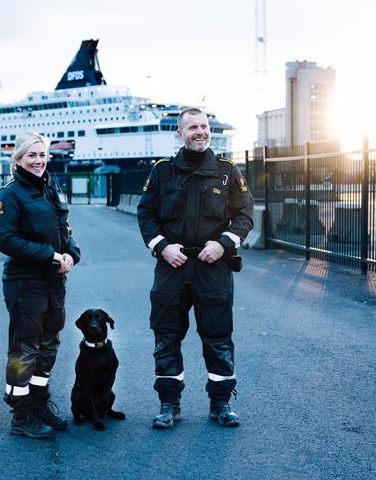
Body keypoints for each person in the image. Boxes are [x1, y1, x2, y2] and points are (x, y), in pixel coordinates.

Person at [137, 107, 254, 428]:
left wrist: (224, 243)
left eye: (203, 126)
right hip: (172, 266)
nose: (200, 131)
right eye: (192, 127)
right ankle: (168, 403)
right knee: (166, 336)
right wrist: (162, 246)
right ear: (180, 133)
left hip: (212, 267)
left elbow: (245, 213)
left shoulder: (228, 171)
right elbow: (145, 214)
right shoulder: (162, 172)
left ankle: (221, 404)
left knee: (218, 337)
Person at [0, 132, 81, 439]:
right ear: (18, 159)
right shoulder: (9, 195)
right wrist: (50, 255)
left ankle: (39, 403)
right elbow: (7, 240)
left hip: (54, 281)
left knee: (48, 345)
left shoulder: (49, 190)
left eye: (42, 155)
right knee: (24, 348)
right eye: (31, 155)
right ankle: (21, 415)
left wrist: (71, 254)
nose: (39, 161)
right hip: (25, 283)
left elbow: (65, 231)